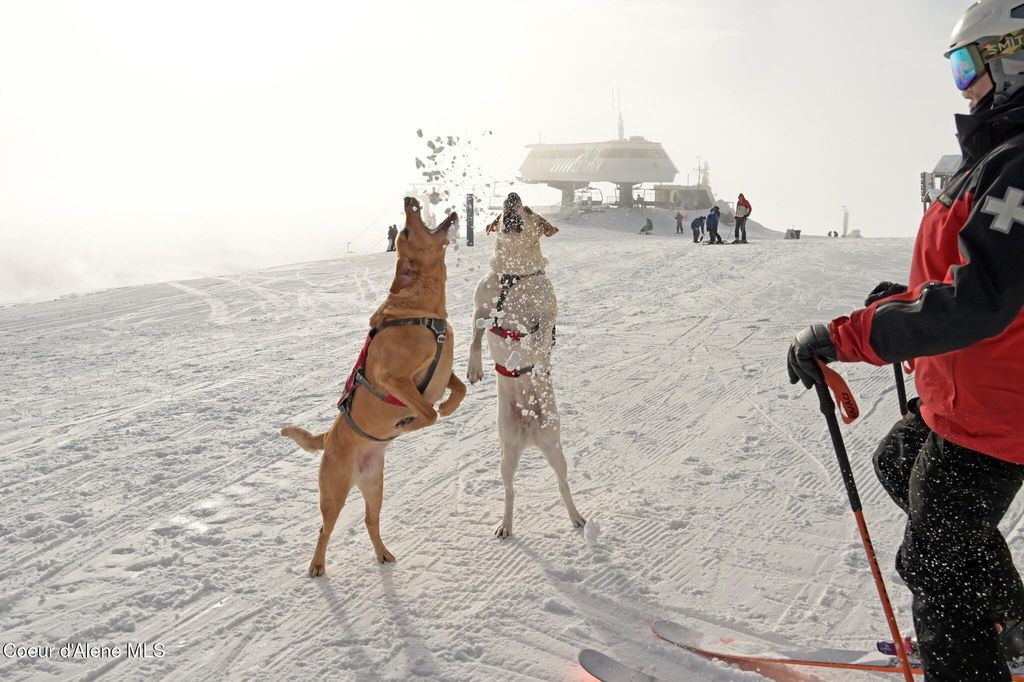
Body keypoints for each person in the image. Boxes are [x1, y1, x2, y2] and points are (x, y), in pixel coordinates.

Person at [787, 3, 1024, 678]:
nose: (959, 83)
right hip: (973, 401)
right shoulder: (997, 155)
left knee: (935, 564)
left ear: (1009, 57)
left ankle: (976, 647)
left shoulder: (1019, 163)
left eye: (962, 66)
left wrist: (852, 336)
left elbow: (979, 301)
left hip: (1000, 414)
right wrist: (905, 294)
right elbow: (972, 274)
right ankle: (1013, 622)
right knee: (900, 461)